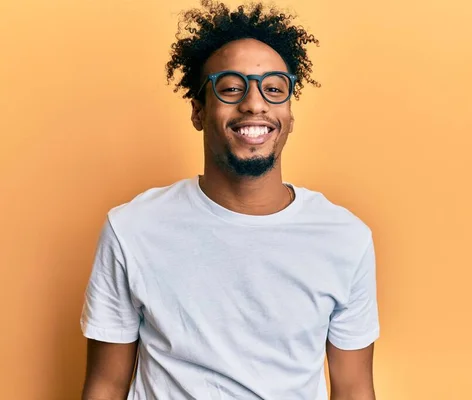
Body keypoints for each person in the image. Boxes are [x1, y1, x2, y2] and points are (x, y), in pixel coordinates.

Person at [80, 1, 380, 399]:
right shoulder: (132, 229)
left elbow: (354, 387)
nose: (255, 103)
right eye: (231, 87)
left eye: (274, 89)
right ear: (199, 111)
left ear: (289, 115)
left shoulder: (345, 239)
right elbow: (106, 384)